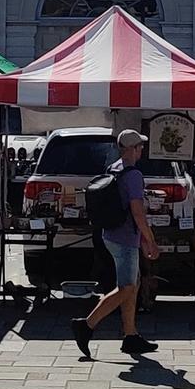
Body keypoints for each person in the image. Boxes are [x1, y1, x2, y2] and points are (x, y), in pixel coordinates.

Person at [71, 129, 159, 359]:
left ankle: (130, 336)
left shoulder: (114, 168)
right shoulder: (133, 175)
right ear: (133, 149)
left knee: (132, 284)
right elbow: (137, 212)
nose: (142, 150)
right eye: (140, 147)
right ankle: (87, 325)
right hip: (125, 239)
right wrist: (150, 240)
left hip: (110, 234)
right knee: (127, 287)